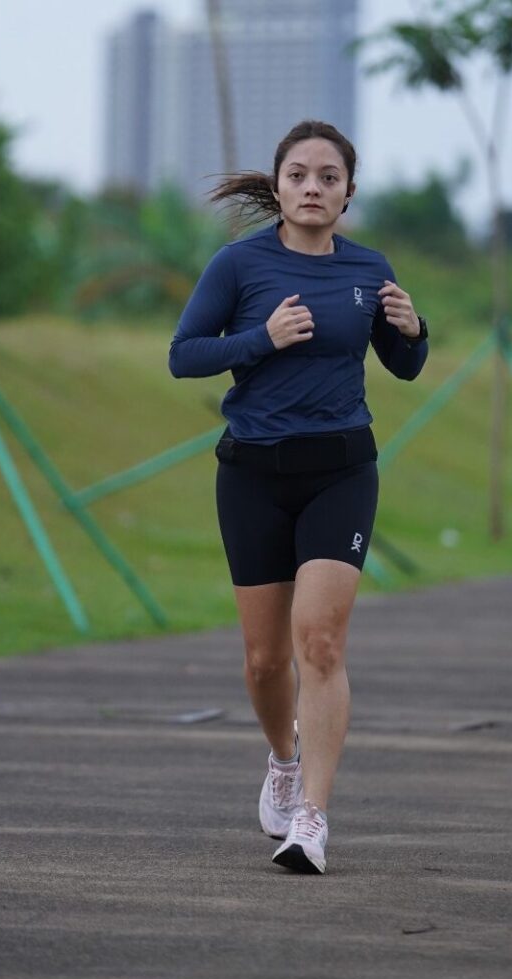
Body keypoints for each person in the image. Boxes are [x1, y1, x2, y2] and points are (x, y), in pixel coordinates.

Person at [169, 120, 429, 874]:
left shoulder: (369, 269)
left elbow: (404, 365)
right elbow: (184, 355)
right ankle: (282, 761)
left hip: (341, 471)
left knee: (320, 641)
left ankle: (311, 818)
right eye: (299, 175)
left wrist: (415, 332)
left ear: (348, 193)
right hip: (252, 474)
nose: (313, 187)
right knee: (263, 660)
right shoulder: (239, 265)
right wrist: (262, 338)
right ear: (278, 186)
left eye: (328, 177)